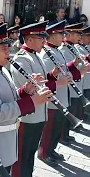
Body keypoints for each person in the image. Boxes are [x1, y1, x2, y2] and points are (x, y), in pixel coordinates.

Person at [0, 23, 51, 177]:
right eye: (4, 49)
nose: (9, 52)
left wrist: (25, 90)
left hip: (6, 144)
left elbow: (10, 97)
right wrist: (33, 101)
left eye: (8, 48)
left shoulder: (1, 70)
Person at [10, 21, 70, 177]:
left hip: (39, 113)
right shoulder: (22, 59)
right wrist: (55, 82)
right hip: (28, 117)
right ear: (29, 40)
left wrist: (53, 74)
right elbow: (30, 87)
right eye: (40, 38)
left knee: (30, 153)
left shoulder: (35, 56)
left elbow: (41, 79)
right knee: (22, 155)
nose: (44, 40)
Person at [37, 21, 86, 166]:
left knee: (57, 126)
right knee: (50, 127)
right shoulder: (47, 53)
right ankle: (44, 152)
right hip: (54, 96)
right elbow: (45, 75)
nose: (63, 37)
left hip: (63, 94)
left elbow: (63, 68)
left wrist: (73, 66)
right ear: (52, 37)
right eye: (60, 34)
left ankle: (51, 150)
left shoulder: (56, 50)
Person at [59, 22, 87, 143]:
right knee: (65, 114)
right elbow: (66, 69)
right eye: (76, 34)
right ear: (68, 35)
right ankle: (62, 136)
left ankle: (65, 134)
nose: (79, 36)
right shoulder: (64, 50)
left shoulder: (73, 48)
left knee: (71, 111)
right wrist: (80, 68)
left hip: (75, 84)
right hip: (69, 86)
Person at [76, 26, 90, 121]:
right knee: (80, 102)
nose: (89, 39)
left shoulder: (87, 46)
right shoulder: (77, 48)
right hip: (83, 79)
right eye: (86, 36)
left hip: (88, 80)